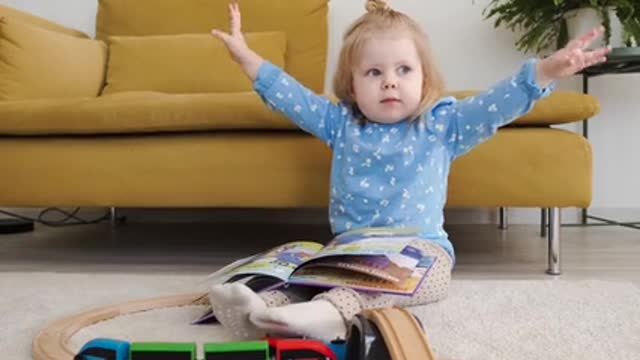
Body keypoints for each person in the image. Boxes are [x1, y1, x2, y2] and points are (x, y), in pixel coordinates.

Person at [208, 0, 610, 342]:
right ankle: (263, 309)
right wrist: (247, 58)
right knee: (305, 274)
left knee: (428, 279)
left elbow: (496, 104)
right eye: (374, 73)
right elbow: (292, 98)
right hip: (351, 249)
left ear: (425, 79)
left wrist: (545, 72)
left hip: (420, 250)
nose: (389, 83)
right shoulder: (341, 124)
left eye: (403, 70)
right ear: (351, 87)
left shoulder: (441, 125)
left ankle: (328, 314)